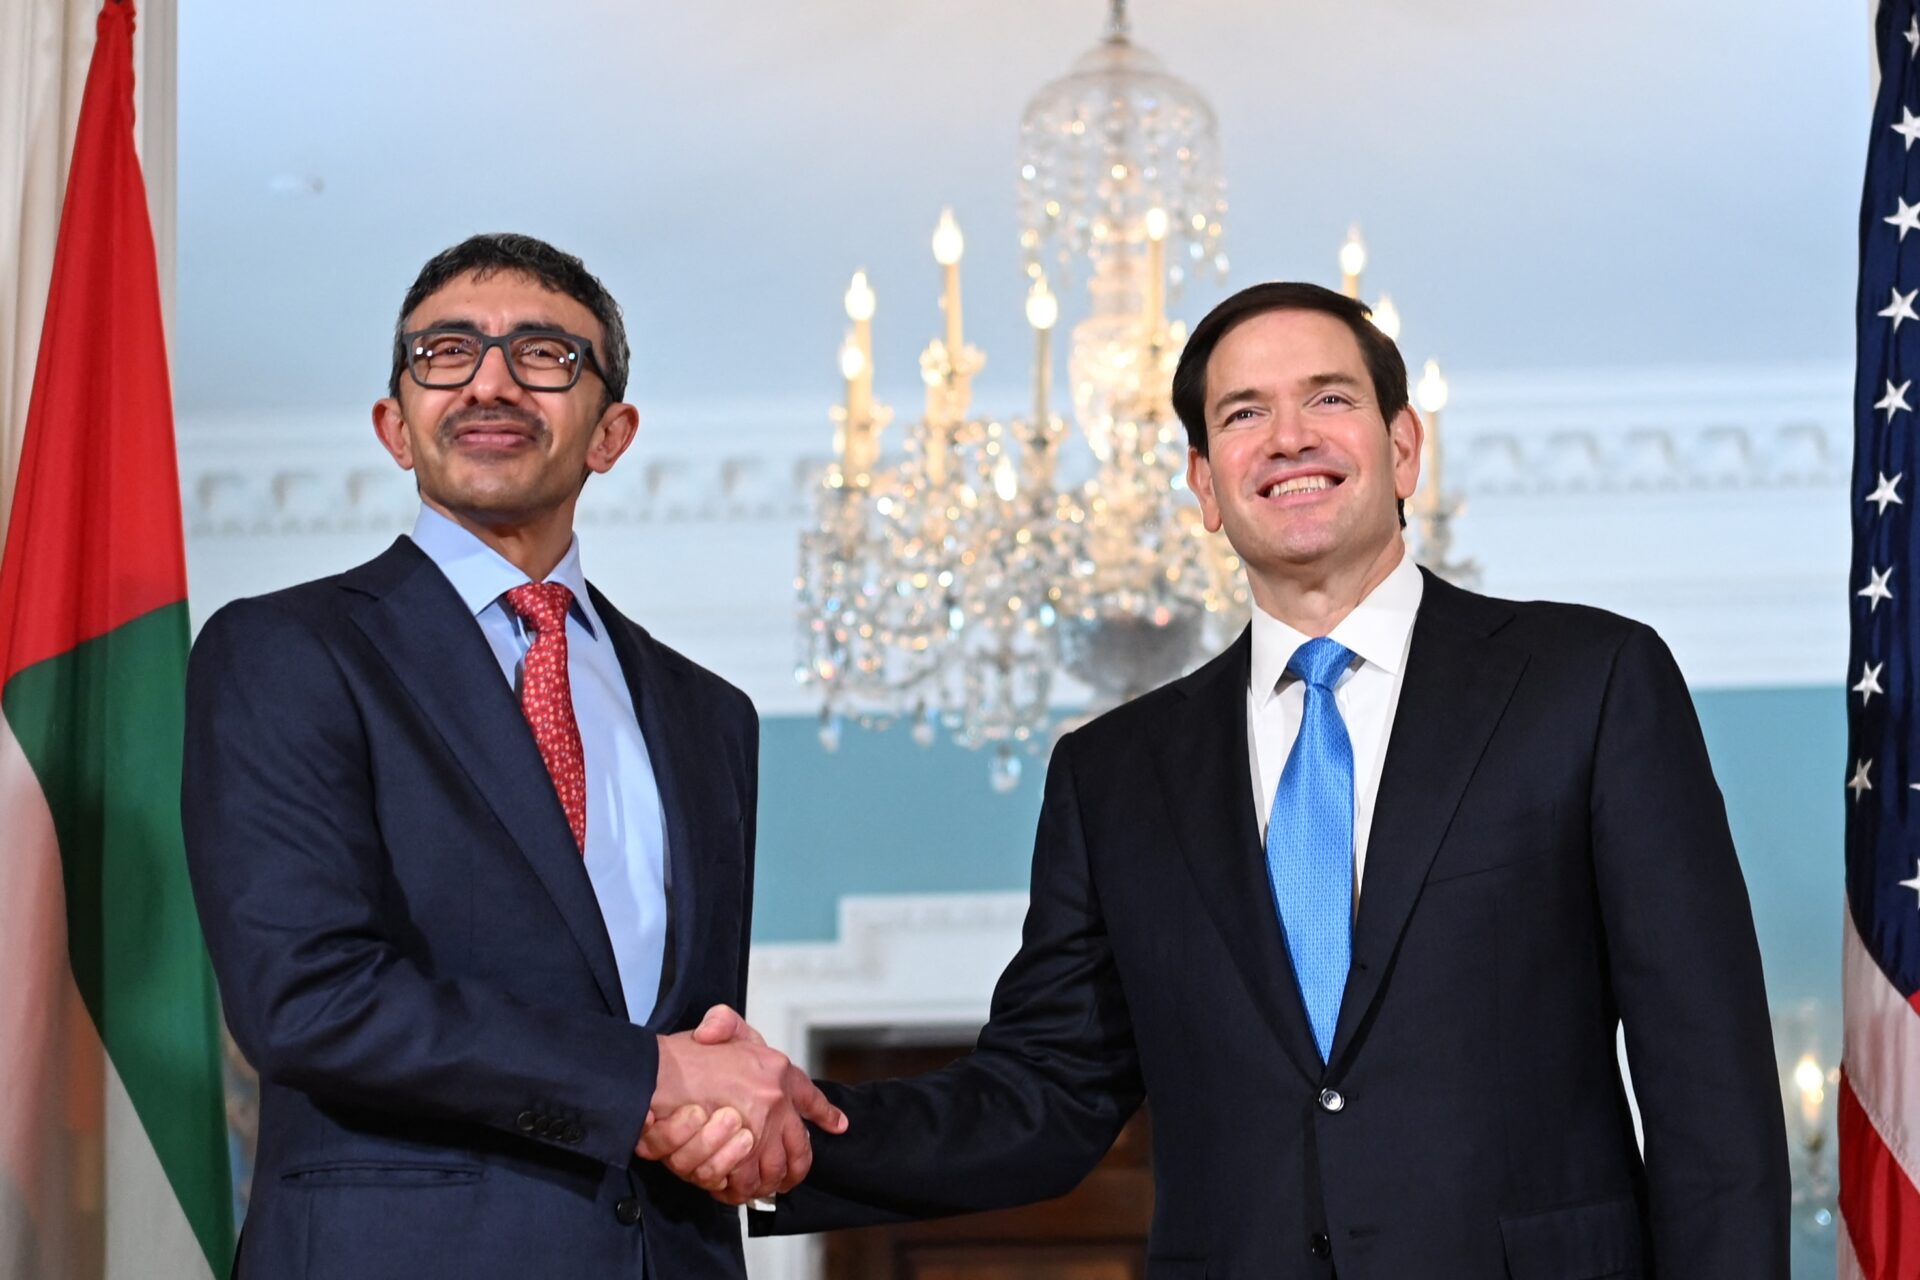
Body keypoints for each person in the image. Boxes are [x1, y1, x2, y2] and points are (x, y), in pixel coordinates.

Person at [662, 281, 1790, 1276]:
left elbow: (1712, 1090)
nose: (1288, 436)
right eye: (1244, 414)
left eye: (1328, 398)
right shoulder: (1114, 774)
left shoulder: (1587, 681)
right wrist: (793, 1128)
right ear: (1205, 483)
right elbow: (1045, 1094)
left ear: (1404, 448)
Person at [181, 232, 842, 1279]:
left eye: (545, 355)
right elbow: (308, 999)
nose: (490, 380)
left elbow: (685, 1036)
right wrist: (650, 1084)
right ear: (394, 426)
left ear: (612, 432)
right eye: (445, 351)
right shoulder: (284, 651)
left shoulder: (712, 713)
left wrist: (721, 1122)